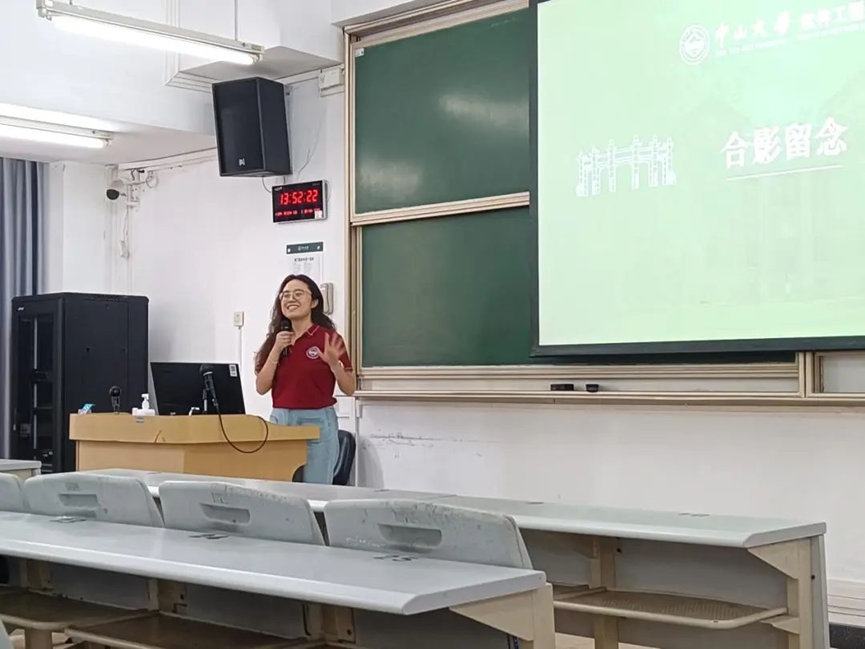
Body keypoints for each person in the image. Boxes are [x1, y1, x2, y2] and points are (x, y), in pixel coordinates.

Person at [255, 274, 355, 484]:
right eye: (285, 295)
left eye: (298, 294)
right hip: (281, 420)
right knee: (279, 489)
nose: (290, 299)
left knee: (315, 489)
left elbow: (350, 388)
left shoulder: (328, 338)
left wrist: (334, 365)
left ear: (314, 302)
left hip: (317, 420)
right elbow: (261, 387)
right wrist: (276, 349)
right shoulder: (275, 340)